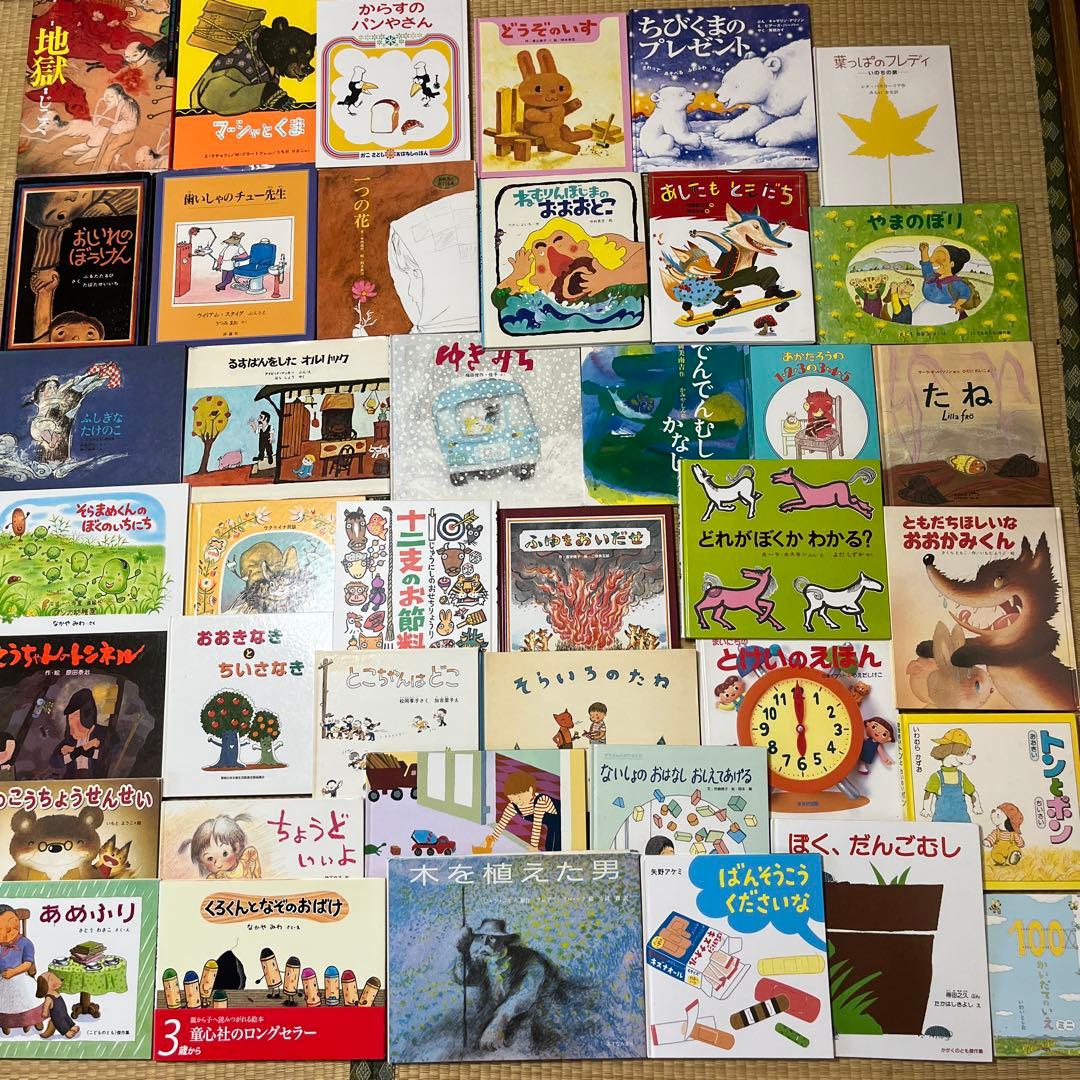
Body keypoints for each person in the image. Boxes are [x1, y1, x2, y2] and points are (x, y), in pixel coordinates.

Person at [484, 770, 560, 851]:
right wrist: (491, 840)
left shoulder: (541, 801)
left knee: (556, 846)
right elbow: (502, 823)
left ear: (530, 790)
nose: (518, 801)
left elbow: (536, 826)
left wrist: (534, 847)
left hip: (561, 817)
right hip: (551, 823)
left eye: (519, 797)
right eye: (512, 798)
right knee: (549, 846)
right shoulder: (513, 805)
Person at [179, 814, 261, 879]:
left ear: (236, 847)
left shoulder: (246, 861)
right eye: (210, 859)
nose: (218, 864)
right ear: (202, 863)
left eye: (225, 853)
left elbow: (251, 852)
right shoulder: (213, 879)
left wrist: (257, 876)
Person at [50, 688, 104, 779]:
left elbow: (104, 756)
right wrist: (82, 748)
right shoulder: (69, 740)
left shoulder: (103, 733)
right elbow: (54, 762)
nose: (72, 724)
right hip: (72, 782)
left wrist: (73, 751)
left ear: (88, 715)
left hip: (98, 783)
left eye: (76, 717)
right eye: (70, 718)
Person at [918, 242, 973, 319]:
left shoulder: (956, 282)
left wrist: (958, 304)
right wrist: (924, 252)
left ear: (951, 264)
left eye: (941, 260)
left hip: (946, 309)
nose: (936, 263)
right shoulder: (933, 277)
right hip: (927, 306)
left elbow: (965, 292)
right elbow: (926, 266)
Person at [36, 970, 79, 1039]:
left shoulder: (56, 992)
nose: (58, 980)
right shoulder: (49, 998)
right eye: (52, 979)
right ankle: (67, 1032)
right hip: (57, 1016)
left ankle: (71, 1027)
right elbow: (46, 1008)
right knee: (60, 1022)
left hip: (63, 1012)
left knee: (66, 1018)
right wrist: (45, 1012)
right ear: (45, 985)